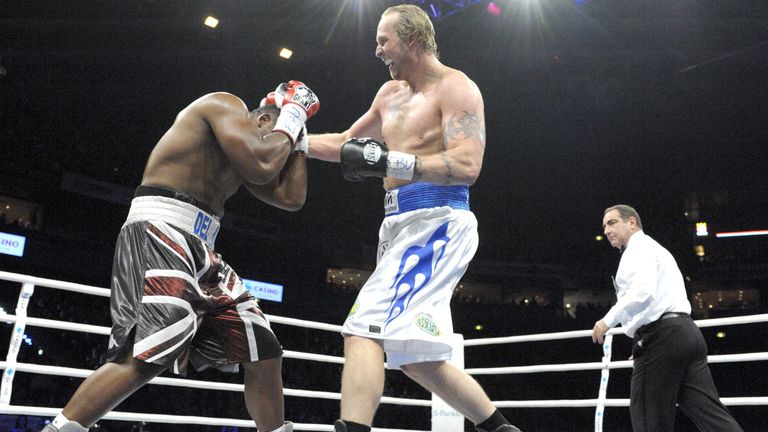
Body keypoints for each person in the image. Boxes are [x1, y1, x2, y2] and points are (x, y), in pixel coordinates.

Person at [40, 81, 320, 432]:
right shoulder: (224, 105)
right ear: (263, 120)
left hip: (203, 248)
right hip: (162, 226)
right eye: (280, 134)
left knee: (262, 348)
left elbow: (291, 198)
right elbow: (265, 164)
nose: (282, 147)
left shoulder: (243, 156)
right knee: (148, 352)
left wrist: (300, 140)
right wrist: (293, 115)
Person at [307, 5, 521, 432]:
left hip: (439, 220)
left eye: (383, 40)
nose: (377, 50)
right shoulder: (388, 96)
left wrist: (394, 162)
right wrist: (292, 141)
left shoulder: (456, 88)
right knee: (418, 360)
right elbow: (349, 144)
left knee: (362, 329)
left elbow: (467, 165)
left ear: (413, 40)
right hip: (398, 224)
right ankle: (500, 429)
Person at [592, 204, 743, 432]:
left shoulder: (637, 249)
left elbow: (643, 292)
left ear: (631, 222)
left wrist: (607, 321)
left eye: (612, 223)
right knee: (713, 418)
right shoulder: (656, 249)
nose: (606, 230)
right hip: (685, 334)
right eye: (604, 226)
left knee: (648, 420)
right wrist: (643, 337)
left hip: (662, 338)